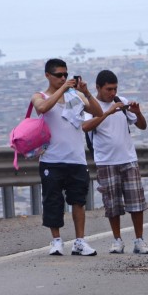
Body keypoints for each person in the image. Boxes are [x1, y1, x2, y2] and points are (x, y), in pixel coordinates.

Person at [33, 58, 103, 255]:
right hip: (51, 159)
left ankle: (80, 241)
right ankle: (56, 240)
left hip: (76, 158)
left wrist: (86, 92)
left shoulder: (76, 97)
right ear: (48, 75)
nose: (63, 78)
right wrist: (62, 89)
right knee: (53, 201)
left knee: (78, 201)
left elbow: (98, 112)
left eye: (66, 75)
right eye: (59, 75)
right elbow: (42, 108)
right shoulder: (39, 95)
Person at [82, 70, 148, 254]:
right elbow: (85, 127)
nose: (112, 93)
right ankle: (117, 240)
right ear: (98, 88)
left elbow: (142, 126)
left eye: (115, 89)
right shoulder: (91, 106)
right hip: (105, 161)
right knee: (112, 204)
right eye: (108, 89)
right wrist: (107, 112)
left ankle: (139, 240)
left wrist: (138, 113)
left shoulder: (122, 101)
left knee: (136, 202)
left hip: (128, 158)